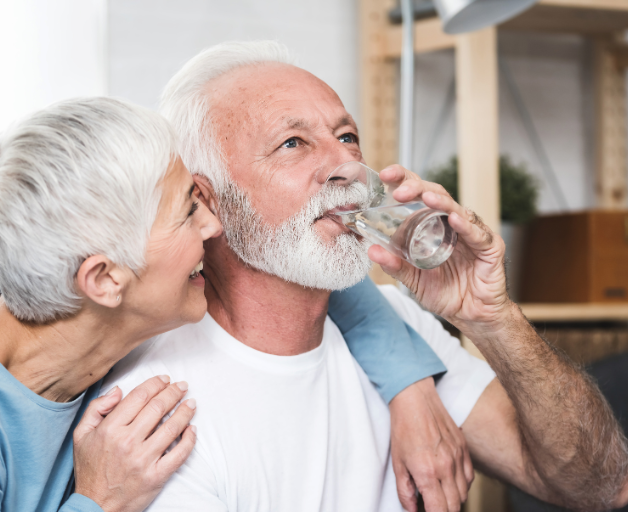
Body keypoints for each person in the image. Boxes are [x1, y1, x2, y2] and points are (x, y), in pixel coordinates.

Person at [104, 40, 628, 512]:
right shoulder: (155, 414)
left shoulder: (401, 328)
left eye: (347, 136)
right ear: (208, 200)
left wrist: (493, 319)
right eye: (293, 143)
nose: (346, 167)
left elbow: (601, 487)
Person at [0, 97, 453, 511]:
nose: (214, 226)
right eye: (188, 211)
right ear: (105, 279)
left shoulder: (62, 301)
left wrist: (407, 386)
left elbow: (313, 273)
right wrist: (100, 501)